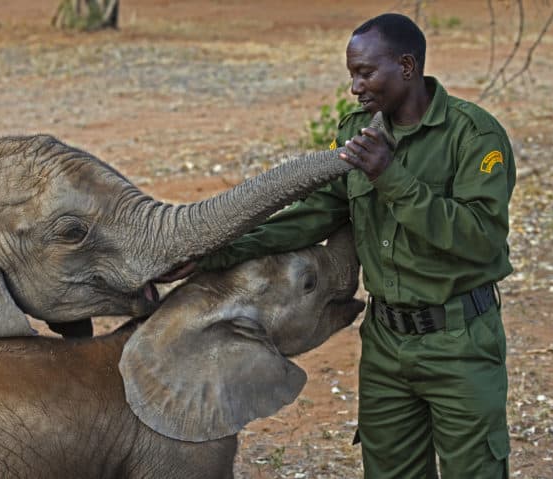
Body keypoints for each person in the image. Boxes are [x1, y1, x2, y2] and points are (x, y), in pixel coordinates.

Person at [184, 12, 515, 478]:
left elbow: (480, 239)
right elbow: (316, 215)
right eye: (351, 74)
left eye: (365, 73)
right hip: (386, 342)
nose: (355, 88)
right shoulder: (360, 132)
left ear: (406, 67)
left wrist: (391, 176)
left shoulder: (473, 136)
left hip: (459, 341)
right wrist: (218, 251)